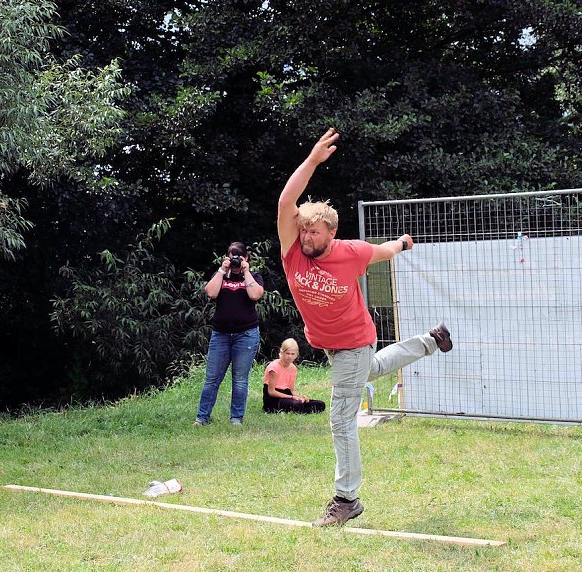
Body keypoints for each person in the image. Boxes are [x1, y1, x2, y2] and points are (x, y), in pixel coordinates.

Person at [277, 128, 453, 527]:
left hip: (354, 340)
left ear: (332, 234)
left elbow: (383, 250)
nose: (306, 236)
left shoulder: (350, 253)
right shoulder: (292, 253)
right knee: (370, 371)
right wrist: (312, 161)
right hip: (334, 347)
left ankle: (346, 498)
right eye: (303, 229)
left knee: (341, 419)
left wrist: (402, 244)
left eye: (314, 231)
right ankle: (430, 340)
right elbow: (287, 201)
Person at [194, 242, 265, 426]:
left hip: (246, 335)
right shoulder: (221, 275)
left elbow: (255, 295)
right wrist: (221, 270)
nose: (234, 260)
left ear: (246, 258)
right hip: (221, 335)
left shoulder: (254, 276)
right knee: (212, 379)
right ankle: (202, 418)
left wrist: (246, 271)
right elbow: (210, 292)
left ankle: (236, 419)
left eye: (238, 257)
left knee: (240, 379)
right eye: (231, 256)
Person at [263, 338, 326, 414]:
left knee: (320, 404)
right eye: (287, 353)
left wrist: (300, 397)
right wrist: (292, 398)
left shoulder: (293, 368)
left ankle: (301, 409)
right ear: (282, 353)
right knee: (297, 404)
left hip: (287, 394)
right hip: (273, 398)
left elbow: (292, 390)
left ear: (296, 355)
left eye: (292, 354)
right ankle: (302, 409)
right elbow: (271, 392)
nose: (290, 357)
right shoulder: (274, 367)